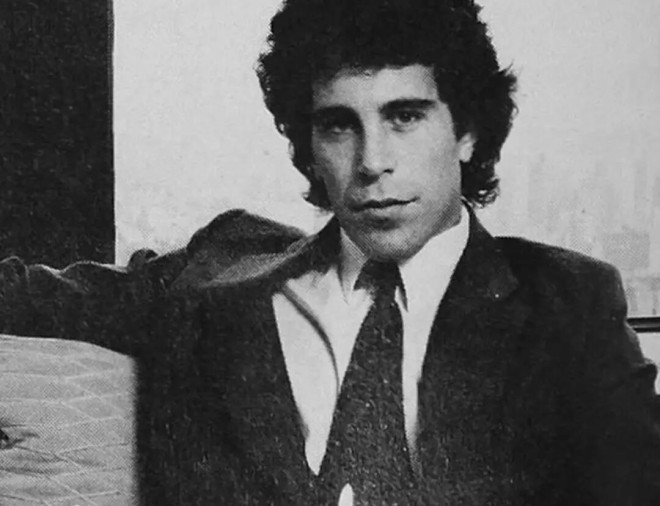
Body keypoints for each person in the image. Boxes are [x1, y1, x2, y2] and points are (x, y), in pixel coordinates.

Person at [1, 0, 659, 504]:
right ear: (308, 144)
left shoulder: (566, 304)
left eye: (404, 116)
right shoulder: (219, 269)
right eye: (339, 125)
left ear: (466, 131)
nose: (372, 162)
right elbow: (27, 294)